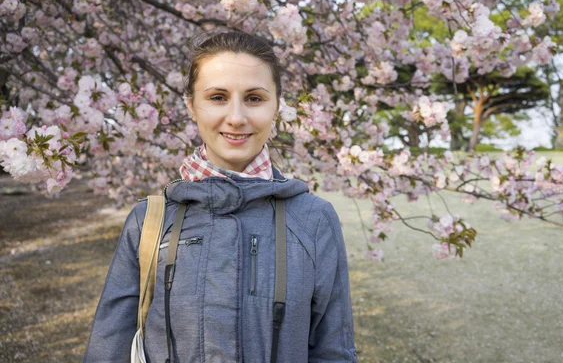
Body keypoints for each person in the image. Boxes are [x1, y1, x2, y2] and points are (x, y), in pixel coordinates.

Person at [83, 31, 358, 362]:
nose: (237, 117)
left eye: (254, 98)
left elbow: (332, 350)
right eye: (217, 97)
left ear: (276, 107)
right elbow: (108, 348)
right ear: (192, 106)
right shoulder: (149, 223)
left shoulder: (314, 220)